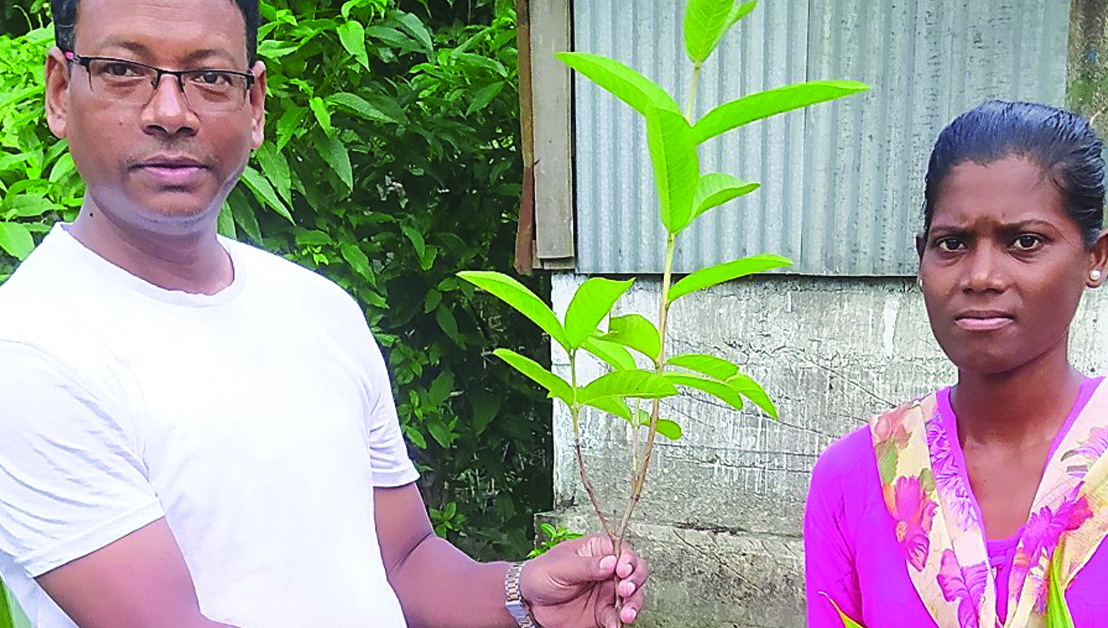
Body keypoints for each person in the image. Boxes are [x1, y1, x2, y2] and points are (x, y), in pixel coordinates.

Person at [0, 0, 647, 627]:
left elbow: (405, 562)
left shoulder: (317, 309)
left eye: (209, 77)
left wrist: (522, 598)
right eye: (123, 70)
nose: (170, 111)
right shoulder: (31, 351)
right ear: (61, 90)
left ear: (253, 105)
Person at [803, 100, 1108, 628]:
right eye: (953, 244)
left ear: (1095, 258)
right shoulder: (856, 477)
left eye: (1025, 242)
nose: (981, 275)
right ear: (922, 258)